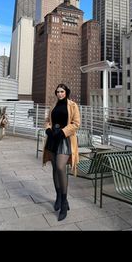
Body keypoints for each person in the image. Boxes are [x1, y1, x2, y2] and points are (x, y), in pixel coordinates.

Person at [42, 84, 80, 221]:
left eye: (62, 91)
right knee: (54, 169)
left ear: (66, 92)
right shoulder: (53, 105)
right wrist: (48, 129)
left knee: (60, 167)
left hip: (64, 140)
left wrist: (63, 132)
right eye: (57, 91)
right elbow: (47, 121)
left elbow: (76, 123)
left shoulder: (73, 105)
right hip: (53, 139)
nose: (59, 94)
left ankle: (64, 202)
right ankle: (58, 196)